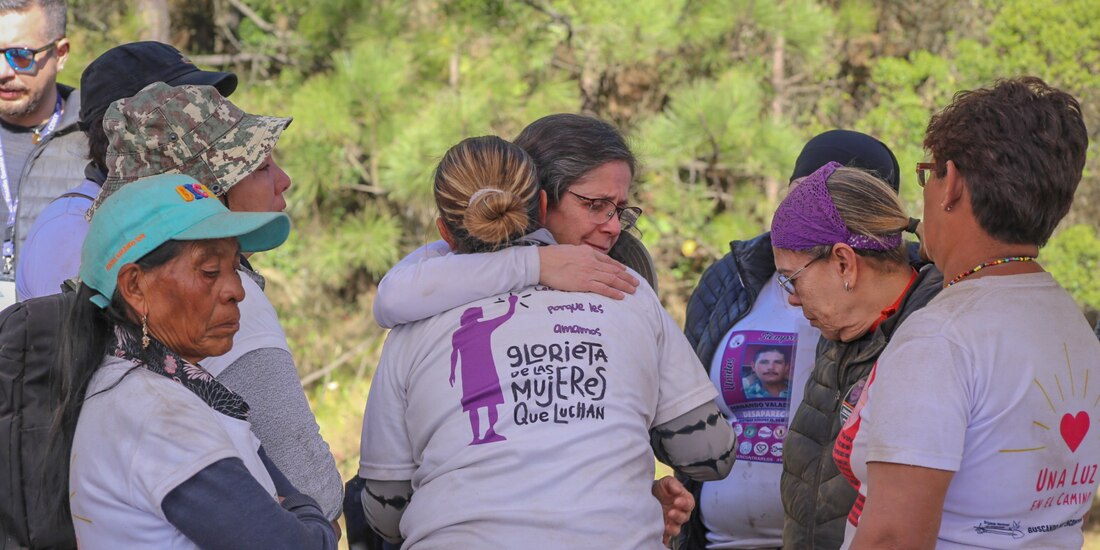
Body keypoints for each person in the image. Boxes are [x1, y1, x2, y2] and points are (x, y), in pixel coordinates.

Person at [353, 135, 736, 548]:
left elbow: (386, 512)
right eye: (594, 204)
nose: (611, 224)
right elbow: (709, 454)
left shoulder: (413, 321)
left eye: (619, 211)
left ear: (444, 230)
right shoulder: (622, 287)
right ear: (541, 205)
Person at [838, 77, 1100, 549]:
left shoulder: (942, 338)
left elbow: (893, 538)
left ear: (951, 183)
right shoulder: (1071, 324)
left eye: (928, 173)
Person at [85, 81, 344, 523]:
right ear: (204, 195)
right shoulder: (224, 305)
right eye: (258, 166)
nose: (283, 179)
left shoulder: (112, 296)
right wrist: (312, 520)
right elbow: (309, 480)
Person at [43, 173, 335, 547]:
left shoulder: (177, 390)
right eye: (210, 271)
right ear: (135, 287)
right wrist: (310, 517)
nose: (236, 290)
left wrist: (297, 514)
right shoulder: (155, 414)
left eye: (235, 267)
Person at [674, 129, 910, 550]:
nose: (802, 217)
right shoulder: (733, 276)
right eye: (797, 197)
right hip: (715, 539)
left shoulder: (896, 307)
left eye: (825, 204)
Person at [16, 40, 237, 300]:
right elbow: (82, 336)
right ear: (125, 130)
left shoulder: (156, 212)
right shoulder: (74, 230)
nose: (206, 126)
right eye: (186, 113)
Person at [0, 0, 85, 306]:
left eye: (20, 55)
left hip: (61, 342)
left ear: (60, 54)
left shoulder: (99, 141)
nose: (3, 72)